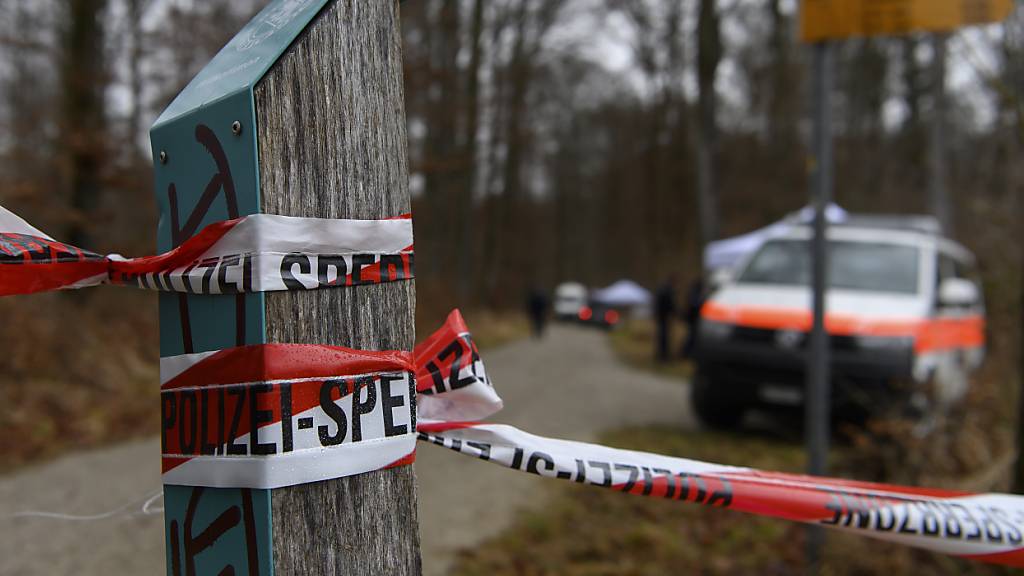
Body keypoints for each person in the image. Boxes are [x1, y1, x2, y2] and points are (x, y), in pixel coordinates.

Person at [681, 276, 707, 359]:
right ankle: (686, 353)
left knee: (692, 337)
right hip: (692, 319)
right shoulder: (694, 294)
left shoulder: (694, 293)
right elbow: (694, 305)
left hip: (693, 319)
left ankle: (689, 353)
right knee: (691, 337)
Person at [654, 277, 676, 362]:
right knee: (663, 336)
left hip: (661, 316)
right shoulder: (667, 291)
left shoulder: (662, 289)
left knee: (661, 336)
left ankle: (661, 355)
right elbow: (670, 304)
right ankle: (663, 355)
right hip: (664, 317)